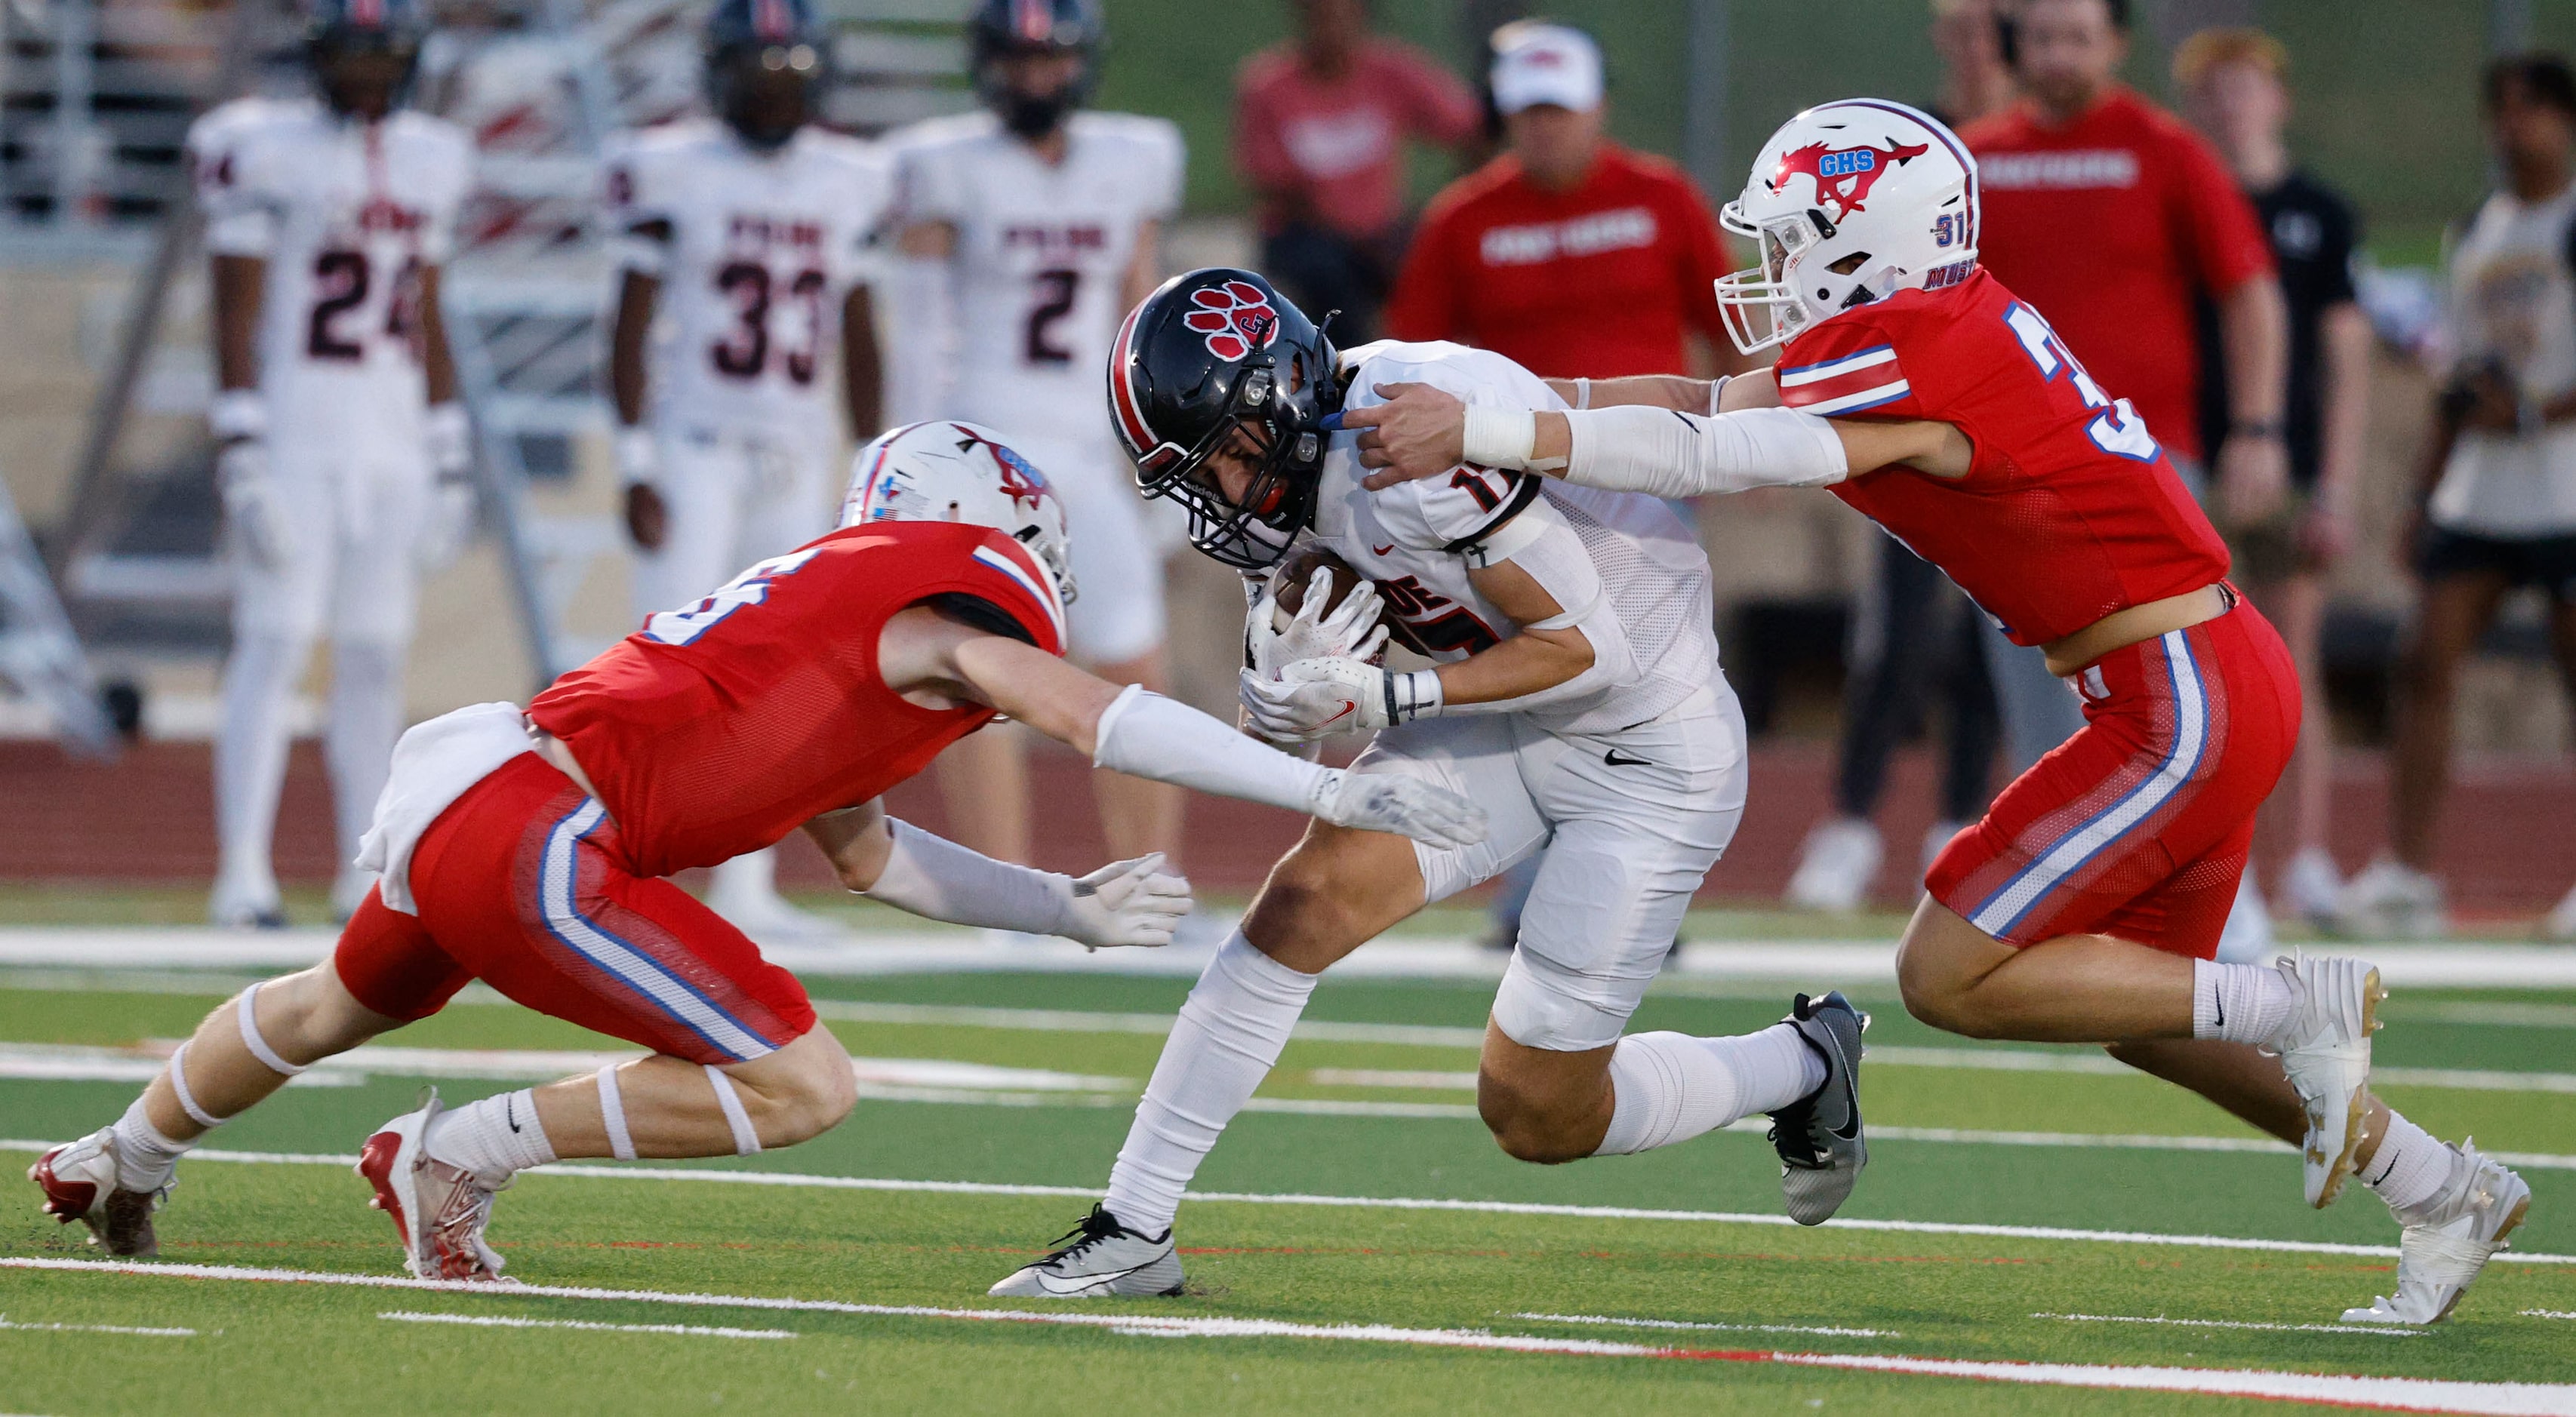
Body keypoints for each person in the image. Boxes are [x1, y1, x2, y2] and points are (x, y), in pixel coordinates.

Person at [1345, 100, 2532, 1327]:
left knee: (1949, 970)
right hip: (2190, 671)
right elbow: (1702, 402)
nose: (1767, 267)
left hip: (2173, 692)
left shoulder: (1912, 335)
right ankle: (2439, 1185)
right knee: (2141, 1010)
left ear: (1862, 243)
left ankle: (2296, 999)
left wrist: (1485, 431)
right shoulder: (1931, 323)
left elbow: (1713, 456)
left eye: (1791, 239)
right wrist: (1511, 399)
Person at [30, 421, 1485, 1277]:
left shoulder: (832, 626)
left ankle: (119, 1155)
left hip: (489, 791)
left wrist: (1061, 908)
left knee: (327, 1001)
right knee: (801, 1079)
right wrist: (1318, 779)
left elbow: (868, 856)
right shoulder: (941, 595)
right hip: (544, 824)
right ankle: (449, 1154)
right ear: (983, 526)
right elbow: (1089, 712)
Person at [985, 269, 1870, 1300]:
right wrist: (1282, 704)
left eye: (1227, 454)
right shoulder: (1283, 474)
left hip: (1647, 744)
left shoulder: (1410, 443)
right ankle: (1132, 1226)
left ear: (1280, 400)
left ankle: (1806, 1061)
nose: (1223, 490)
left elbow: (1591, 650)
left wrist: (1390, 695)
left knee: (1537, 1114)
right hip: (1495, 712)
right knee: (1298, 906)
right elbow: (1313, 648)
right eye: (1200, 468)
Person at [1960, 0, 2291, 952]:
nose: (2058, 55)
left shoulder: (2164, 147)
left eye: (2077, 36)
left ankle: (2227, 888)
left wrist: (2258, 425)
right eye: (2041, 36)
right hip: (2002, 473)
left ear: (2113, 44)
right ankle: (2066, 896)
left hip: (2144, 462)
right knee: (2032, 684)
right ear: (2016, 47)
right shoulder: (1972, 157)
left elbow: (2248, 289)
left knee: (2190, 680)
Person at [883, 0, 1190, 890]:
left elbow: (1139, 310)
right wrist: (908, 452)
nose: (1035, 77)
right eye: (1019, 61)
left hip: (1087, 445)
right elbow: (915, 323)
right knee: (977, 666)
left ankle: (1151, 880)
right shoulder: (945, 165)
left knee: (1133, 657)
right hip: (980, 447)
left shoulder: (1129, 160)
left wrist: (1165, 457)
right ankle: (999, 884)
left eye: (1051, 59)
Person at [605, 0, 890, 942]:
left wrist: (871, 465)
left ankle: (747, 891)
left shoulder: (848, 178)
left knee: (780, 673)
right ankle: (616, 863)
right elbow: (631, 320)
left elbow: (857, 327)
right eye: (759, 77)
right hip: (694, 445)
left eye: (790, 79)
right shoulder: (671, 167)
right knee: (667, 665)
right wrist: (634, 458)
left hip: (795, 448)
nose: (774, 96)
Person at [190, 0, 478, 929]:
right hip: (297, 429)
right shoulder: (261, 146)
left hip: (390, 436)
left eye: (383, 56)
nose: (369, 75)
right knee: (273, 642)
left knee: (372, 657)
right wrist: (239, 445)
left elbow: (426, 307)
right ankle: (241, 870)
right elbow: (232, 304)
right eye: (354, 56)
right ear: (318, 57)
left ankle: (363, 869)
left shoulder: (431, 155)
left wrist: (448, 449)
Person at [1783, 0, 2016, 913]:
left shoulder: (2029, 149)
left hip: (1997, 415)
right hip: (1912, 411)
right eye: (1951, 31)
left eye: (1980, 30)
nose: (1962, 48)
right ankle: (1849, 823)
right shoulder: (1915, 145)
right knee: (1896, 635)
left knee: (1995, 636)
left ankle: (1956, 819)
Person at [2341, 55, 2576, 942]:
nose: (2510, 129)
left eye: (2528, 112)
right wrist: (2422, 492)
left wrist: (2528, 408)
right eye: (2499, 112)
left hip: (2562, 482)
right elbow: (2459, 374)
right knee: (2421, 657)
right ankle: (2406, 872)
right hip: (2484, 490)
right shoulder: (2478, 225)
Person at [2174, 29, 2371, 931]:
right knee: (2204, 682)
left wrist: (2332, 482)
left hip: (2282, 465)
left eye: (2244, 89)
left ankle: (2308, 858)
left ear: (2276, 100)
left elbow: (2345, 357)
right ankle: (2223, 870)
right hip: (2189, 464)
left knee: (2293, 670)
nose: (2229, 106)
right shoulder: (2183, 203)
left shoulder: (2315, 213)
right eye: (2212, 92)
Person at [1233, 0, 1482, 344]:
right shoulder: (1269, 87)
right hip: (1304, 233)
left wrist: (1456, 195)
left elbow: (1466, 125)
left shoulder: (1390, 73)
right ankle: (1349, 368)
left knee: (1436, 258)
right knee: (1327, 272)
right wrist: (1355, 235)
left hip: (1383, 230)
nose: (1333, 31)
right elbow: (1273, 184)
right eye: (1323, 18)